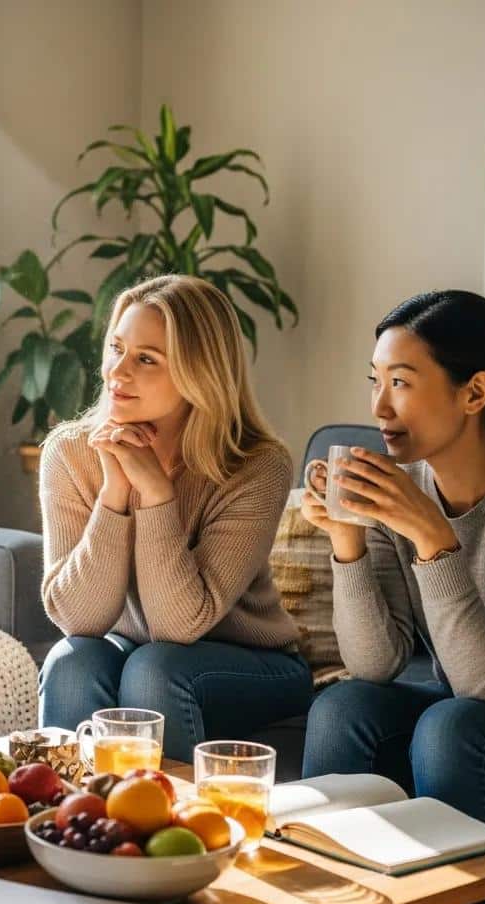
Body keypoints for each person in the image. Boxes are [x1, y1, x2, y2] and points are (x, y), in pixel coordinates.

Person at [274, 290, 485, 904]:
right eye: (375, 380)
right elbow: (375, 664)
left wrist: (434, 539)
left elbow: (482, 685)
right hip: (460, 698)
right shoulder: (406, 489)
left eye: (401, 381)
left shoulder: (422, 507)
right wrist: (348, 543)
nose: (379, 406)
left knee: (451, 726)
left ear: (475, 392)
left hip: (477, 705)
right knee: (344, 705)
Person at [38, 274, 313, 760]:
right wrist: (115, 493)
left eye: (146, 359)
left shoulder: (256, 464)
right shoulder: (71, 452)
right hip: (138, 649)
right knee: (72, 662)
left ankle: (165, 809)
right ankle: (68, 806)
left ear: (199, 373)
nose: (117, 372)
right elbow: (78, 619)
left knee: (155, 668)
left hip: (252, 662)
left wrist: (156, 494)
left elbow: (179, 625)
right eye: (116, 348)